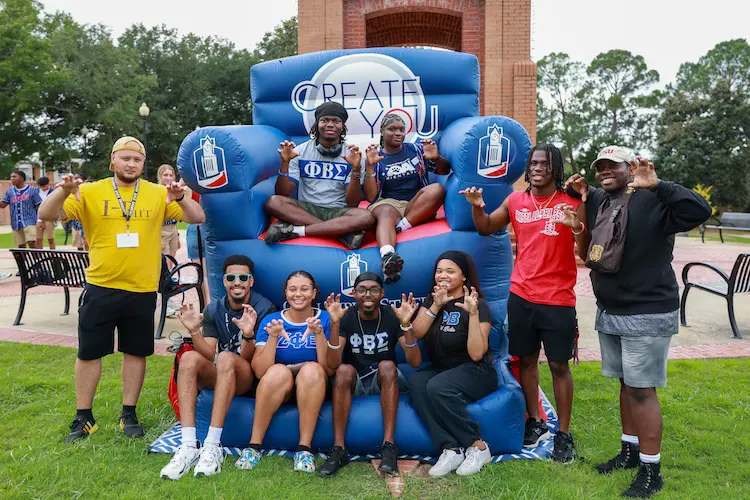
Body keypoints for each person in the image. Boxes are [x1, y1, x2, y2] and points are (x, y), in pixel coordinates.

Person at [38, 136, 205, 444]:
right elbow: (46, 215)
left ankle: (129, 412)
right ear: (112, 160)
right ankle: (84, 416)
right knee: (89, 352)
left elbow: (198, 217)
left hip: (141, 288)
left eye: (137, 160)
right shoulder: (89, 191)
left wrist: (180, 197)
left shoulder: (158, 193)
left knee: (136, 351)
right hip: (101, 284)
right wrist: (62, 190)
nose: (131, 164)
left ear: (144, 164)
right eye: (125, 158)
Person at [565, 146, 711, 498]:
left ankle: (651, 469)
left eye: (612, 167)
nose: (604, 173)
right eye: (600, 167)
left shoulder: (656, 199)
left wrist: (659, 184)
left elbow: (700, 209)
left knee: (642, 391)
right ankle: (630, 450)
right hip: (611, 309)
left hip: (646, 310)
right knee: (625, 384)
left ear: (631, 167)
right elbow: (579, 191)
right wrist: (578, 189)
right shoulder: (603, 198)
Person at [461, 144, 588, 463]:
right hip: (521, 295)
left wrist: (576, 227)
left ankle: (564, 434)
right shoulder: (516, 200)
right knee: (527, 361)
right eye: (533, 163)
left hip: (558, 298)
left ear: (555, 167)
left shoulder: (569, 201)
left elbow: (584, 250)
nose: (537, 167)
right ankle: (536, 421)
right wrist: (477, 205)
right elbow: (486, 226)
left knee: (559, 366)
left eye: (545, 163)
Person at [160, 254, 276, 480]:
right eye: (231, 277)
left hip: (248, 376)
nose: (237, 282)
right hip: (223, 371)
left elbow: (254, 361)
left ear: (251, 281)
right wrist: (194, 331)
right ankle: (188, 445)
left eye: (243, 277)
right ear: (224, 281)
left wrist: (248, 334)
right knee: (189, 358)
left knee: (225, 358)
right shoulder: (215, 308)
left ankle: (213, 445)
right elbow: (208, 352)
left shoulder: (264, 308)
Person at [318, 272, 422, 477]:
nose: (368, 294)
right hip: (354, 379)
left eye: (374, 289)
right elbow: (332, 364)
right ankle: (339, 449)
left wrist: (406, 324)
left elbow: (415, 361)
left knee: (387, 365)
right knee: (343, 370)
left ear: (382, 293)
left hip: (384, 379)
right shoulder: (346, 316)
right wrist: (335, 324)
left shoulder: (391, 315)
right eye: (362, 289)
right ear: (354, 294)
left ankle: (389, 448)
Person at [407, 251, 497, 477]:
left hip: (477, 371)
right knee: (417, 381)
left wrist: (473, 314)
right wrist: (436, 306)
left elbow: (477, 354)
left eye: (450, 271)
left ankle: (478, 446)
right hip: (443, 369)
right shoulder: (433, 299)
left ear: (464, 276)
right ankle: (451, 448)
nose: (442, 275)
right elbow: (416, 333)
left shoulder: (478, 304)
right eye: (439, 271)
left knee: (438, 386)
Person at [236, 270, 332, 473]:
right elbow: (261, 371)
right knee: (278, 371)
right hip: (281, 386)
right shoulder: (271, 320)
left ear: (314, 293)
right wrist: (273, 337)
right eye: (293, 289)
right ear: (285, 293)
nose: (298, 294)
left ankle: (304, 449)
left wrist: (319, 334)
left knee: (311, 369)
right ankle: (254, 446)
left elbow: (328, 368)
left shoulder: (325, 319)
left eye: (304, 289)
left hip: (313, 385)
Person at [264, 101, 374, 249]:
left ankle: (297, 230)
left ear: (343, 127)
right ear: (316, 125)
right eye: (325, 120)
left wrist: (355, 170)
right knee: (274, 202)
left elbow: (352, 203)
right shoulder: (299, 152)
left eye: (336, 121)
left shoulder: (352, 155)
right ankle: (339, 233)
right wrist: (285, 164)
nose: (330, 124)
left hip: (337, 211)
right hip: (306, 208)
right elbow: (283, 194)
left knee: (366, 216)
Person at [362, 113, 451, 283]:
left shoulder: (416, 150)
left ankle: (400, 228)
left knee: (437, 189)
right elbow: (372, 196)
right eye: (392, 129)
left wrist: (436, 158)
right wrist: (370, 167)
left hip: (415, 203)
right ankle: (388, 256)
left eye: (401, 130)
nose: (398, 133)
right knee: (386, 210)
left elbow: (444, 171)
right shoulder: (377, 157)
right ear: (382, 131)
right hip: (388, 203)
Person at [158, 164, 181, 317]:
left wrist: (177, 234)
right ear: (159, 177)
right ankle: (164, 304)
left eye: (170, 175)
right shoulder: (157, 192)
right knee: (163, 269)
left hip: (172, 230)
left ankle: (169, 300)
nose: (168, 177)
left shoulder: (174, 190)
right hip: (161, 232)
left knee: (170, 267)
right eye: (165, 175)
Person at [1, 170, 42, 249]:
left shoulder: (32, 190)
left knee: (32, 243)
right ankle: (23, 261)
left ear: (22, 178)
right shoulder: (10, 191)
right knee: (21, 246)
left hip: (29, 221)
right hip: (16, 223)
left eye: (14, 177)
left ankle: (37, 260)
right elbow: (3, 205)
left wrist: (41, 220)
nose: (12, 179)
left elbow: (39, 205)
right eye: (11, 177)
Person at [35, 176, 56, 249]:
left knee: (50, 239)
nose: (42, 188)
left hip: (49, 219)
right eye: (40, 186)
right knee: (38, 239)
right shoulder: (36, 192)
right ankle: (39, 256)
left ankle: (53, 255)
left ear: (48, 184)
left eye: (44, 186)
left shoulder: (53, 192)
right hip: (38, 219)